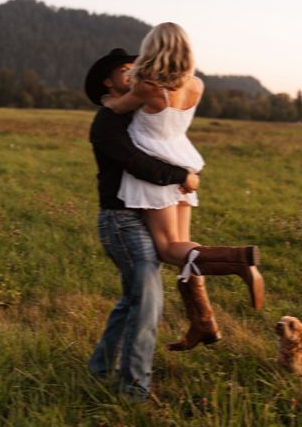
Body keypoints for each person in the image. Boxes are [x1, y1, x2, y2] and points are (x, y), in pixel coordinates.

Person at [84, 48, 217, 401]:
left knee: (131, 299)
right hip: (121, 220)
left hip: (145, 214)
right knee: (147, 302)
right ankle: (133, 389)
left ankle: (99, 367)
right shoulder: (107, 122)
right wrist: (182, 176)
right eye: (124, 71)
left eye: (135, 69)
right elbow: (138, 163)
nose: (132, 76)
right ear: (108, 82)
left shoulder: (136, 113)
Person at [102, 23, 265, 310]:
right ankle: (201, 318)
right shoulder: (196, 85)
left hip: (157, 166)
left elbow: (115, 107)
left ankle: (239, 261)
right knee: (182, 244)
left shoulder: (148, 88)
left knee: (167, 249)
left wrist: (106, 98)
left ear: (154, 48)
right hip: (184, 161)